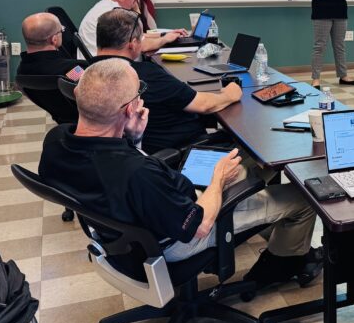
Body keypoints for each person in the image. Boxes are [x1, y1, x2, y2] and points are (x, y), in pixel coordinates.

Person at [38, 59, 319, 289]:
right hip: (177, 239)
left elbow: (120, 168)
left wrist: (135, 140)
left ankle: (271, 224)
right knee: (303, 197)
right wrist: (218, 180)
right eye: (139, 93)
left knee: (251, 163)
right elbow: (199, 226)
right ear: (130, 109)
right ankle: (275, 270)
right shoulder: (138, 173)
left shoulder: (56, 141)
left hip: (133, 227)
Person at [91, 8, 242, 154]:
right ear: (133, 44)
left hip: (122, 153)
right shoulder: (144, 75)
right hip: (180, 151)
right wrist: (230, 93)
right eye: (141, 38)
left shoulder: (87, 74)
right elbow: (205, 105)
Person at [78, 0, 185, 56]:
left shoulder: (103, 6)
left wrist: (165, 34)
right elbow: (142, 45)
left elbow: (138, 36)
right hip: (108, 71)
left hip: (98, 64)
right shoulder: (115, 14)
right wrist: (165, 39)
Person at [17, 12, 85, 123]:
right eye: (61, 31)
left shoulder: (22, 72)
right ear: (54, 39)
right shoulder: (74, 69)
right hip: (91, 126)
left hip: (62, 123)